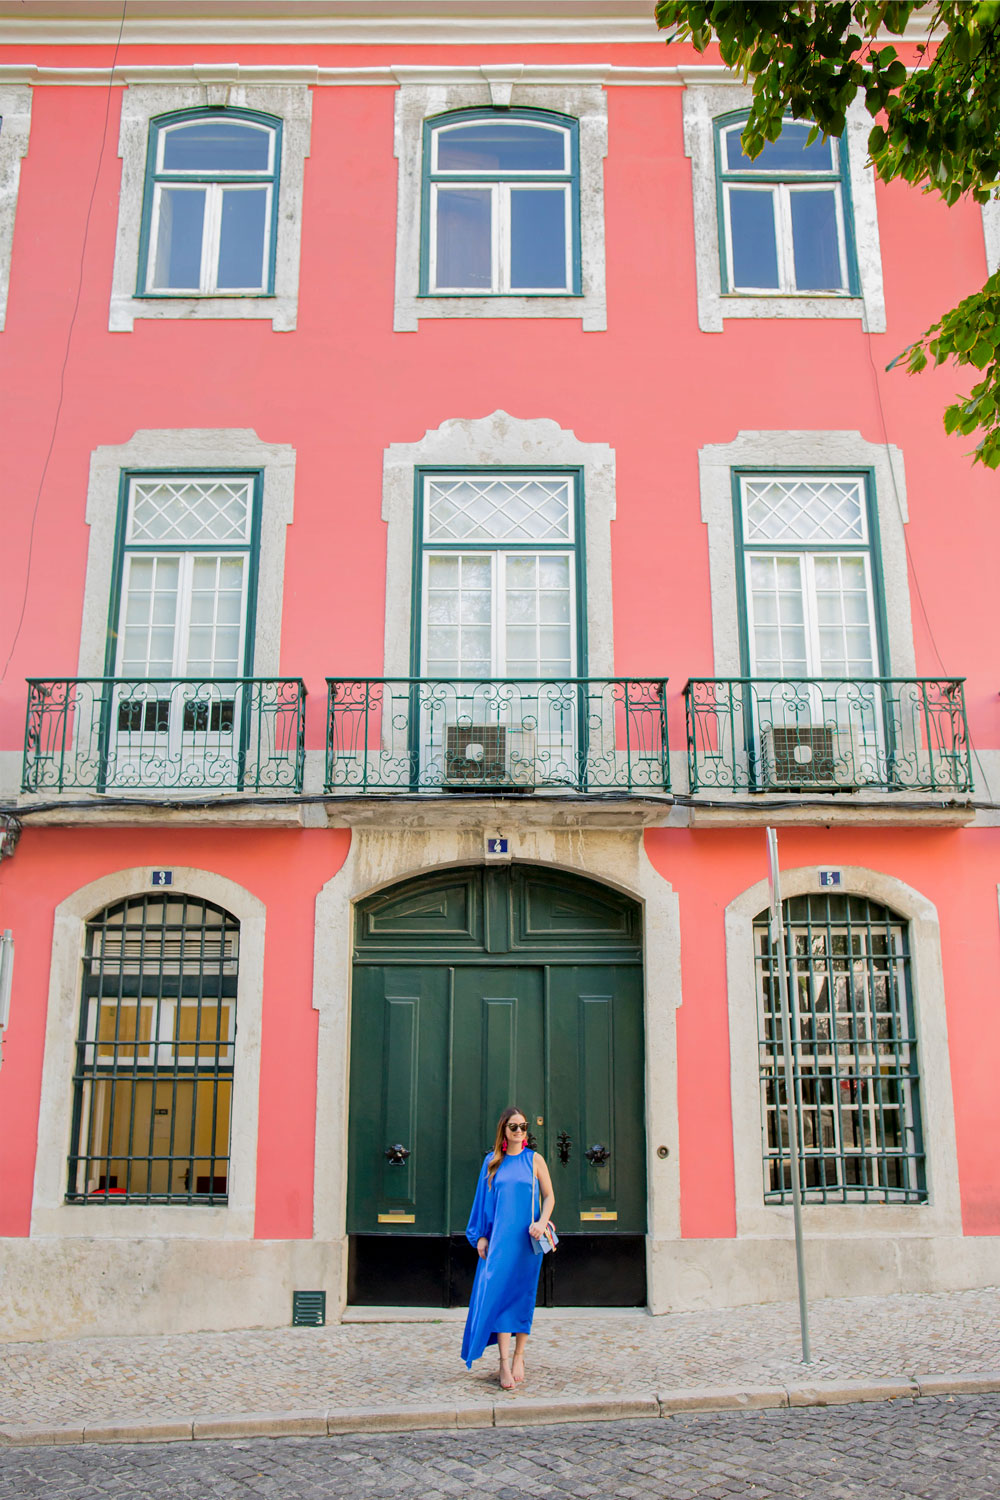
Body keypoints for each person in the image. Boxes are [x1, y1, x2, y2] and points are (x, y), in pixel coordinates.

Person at [460, 1105, 556, 1390]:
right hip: (500, 1243)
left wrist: (542, 1221)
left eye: (523, 1127)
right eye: (513, 1126)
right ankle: (503, 1363)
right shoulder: (492, 1162)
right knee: (500, 1297)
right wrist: (480, 1236)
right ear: (503, 1129)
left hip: (527, 1242)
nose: (519, 1131)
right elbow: (482, 1203)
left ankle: (519, 1357)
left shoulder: (535, 1160)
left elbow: (549, 1197)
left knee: (522, 1297)